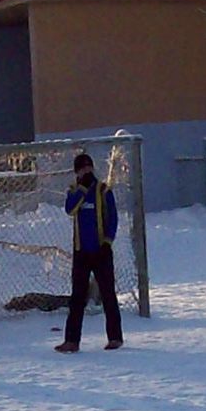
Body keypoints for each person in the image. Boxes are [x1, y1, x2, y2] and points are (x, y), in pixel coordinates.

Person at [57, 151, 123, 353]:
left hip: (101, 251)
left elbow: (112, 218)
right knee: (77, 297)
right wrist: (83, 189)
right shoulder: (74, 191)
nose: (86, 171)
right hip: (81, 252)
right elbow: (70, 209)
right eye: (82, 168)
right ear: (77, 172)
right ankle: (72, 340)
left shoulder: (103, 190)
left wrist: (107, 242)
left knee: (107, 294)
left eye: (89, 167)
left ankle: (115, 337)